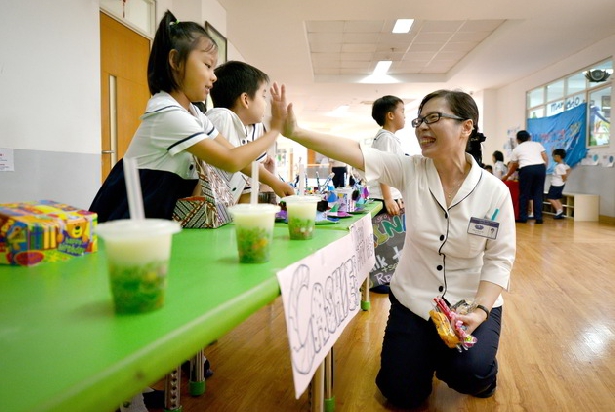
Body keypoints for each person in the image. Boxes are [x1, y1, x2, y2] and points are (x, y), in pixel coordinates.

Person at [283, 89, 516, 408]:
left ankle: (468, 364)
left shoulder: (495, 193)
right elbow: (358, 152)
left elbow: (500, 259)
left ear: (466, 127)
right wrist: (295, 132)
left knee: (471, 375)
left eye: (434, 118)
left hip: (469, 304)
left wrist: (480, 310)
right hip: (414, 299)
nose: (421, 126)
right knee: (401, 392)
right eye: (419, 119)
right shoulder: (411, 169)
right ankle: (424, 350)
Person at [90, 10, 288, 222]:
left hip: (156, 213)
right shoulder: (167, 113)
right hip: (126, 216)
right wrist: (275, 130)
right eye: (207, 65)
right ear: (175, 61)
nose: (213, 76)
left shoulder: (195, 114)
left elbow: (235, 154)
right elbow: (230, 161)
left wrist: (277, 184)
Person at [207, 60, 294, 203]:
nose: (265, 103)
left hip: (225, 217)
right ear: (245, 99)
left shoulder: (250, 129)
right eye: (263, 96)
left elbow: (248, 193)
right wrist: (275, 129)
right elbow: (235, 161)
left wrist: (270, 179)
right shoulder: (221, 118)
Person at [368, 95, 406, 216]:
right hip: (383, 198)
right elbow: (383, 169)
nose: (405, 115)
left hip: (389, 196)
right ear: (390, 115)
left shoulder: (389, 138)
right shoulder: (386, 138)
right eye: (402, 111)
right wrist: (388, 198)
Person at [500, 130, 548, 224]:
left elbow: (514, 166)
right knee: (538, 193)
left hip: (526, 169)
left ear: (517, 140)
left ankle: (523, 217)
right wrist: (543, 168)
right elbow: (545, 157)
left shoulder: (517, 149)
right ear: (529, 137)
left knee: (524, 194)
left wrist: (507, 176)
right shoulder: (537, 144)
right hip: (540, 168)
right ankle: (538, 218)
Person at [546, 148, 571, 219]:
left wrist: (564, 179)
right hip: (559, 184)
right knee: (556, 198)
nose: (553, 158)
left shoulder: (560, 166)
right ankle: (560, 212)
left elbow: (563, 176)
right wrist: (564, 179)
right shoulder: (563, 164)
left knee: (550, 198)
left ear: (558, 156)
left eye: (553, 156)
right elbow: (569, 169)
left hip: (556, 184)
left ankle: (559, 211)